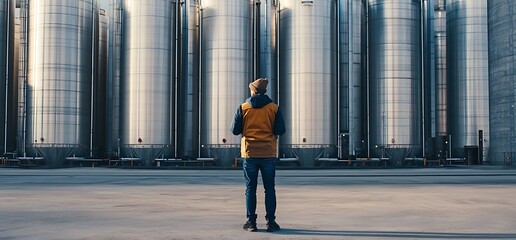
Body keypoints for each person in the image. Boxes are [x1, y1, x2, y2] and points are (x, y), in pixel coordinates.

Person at [231, 78, 286, 232]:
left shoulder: (243, 108)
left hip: (250, 153)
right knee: (270, 189)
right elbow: (281, 130)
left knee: (250, 188)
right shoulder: (274, 108)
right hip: (268, 152)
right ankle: (271, 223)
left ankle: (251, 222)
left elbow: (234, 130)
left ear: (253, 91)